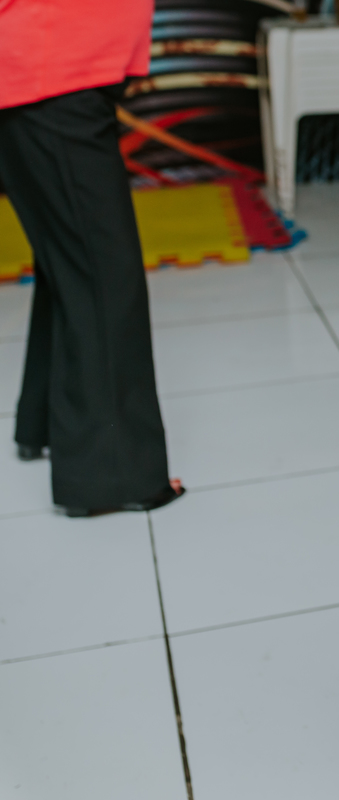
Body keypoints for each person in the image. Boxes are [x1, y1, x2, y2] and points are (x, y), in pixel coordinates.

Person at [0, 0, 184, 515]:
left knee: (72, 262)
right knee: (106, 275)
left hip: (57, 71)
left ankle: (44, 424)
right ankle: (114, 475)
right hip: (48, 75)